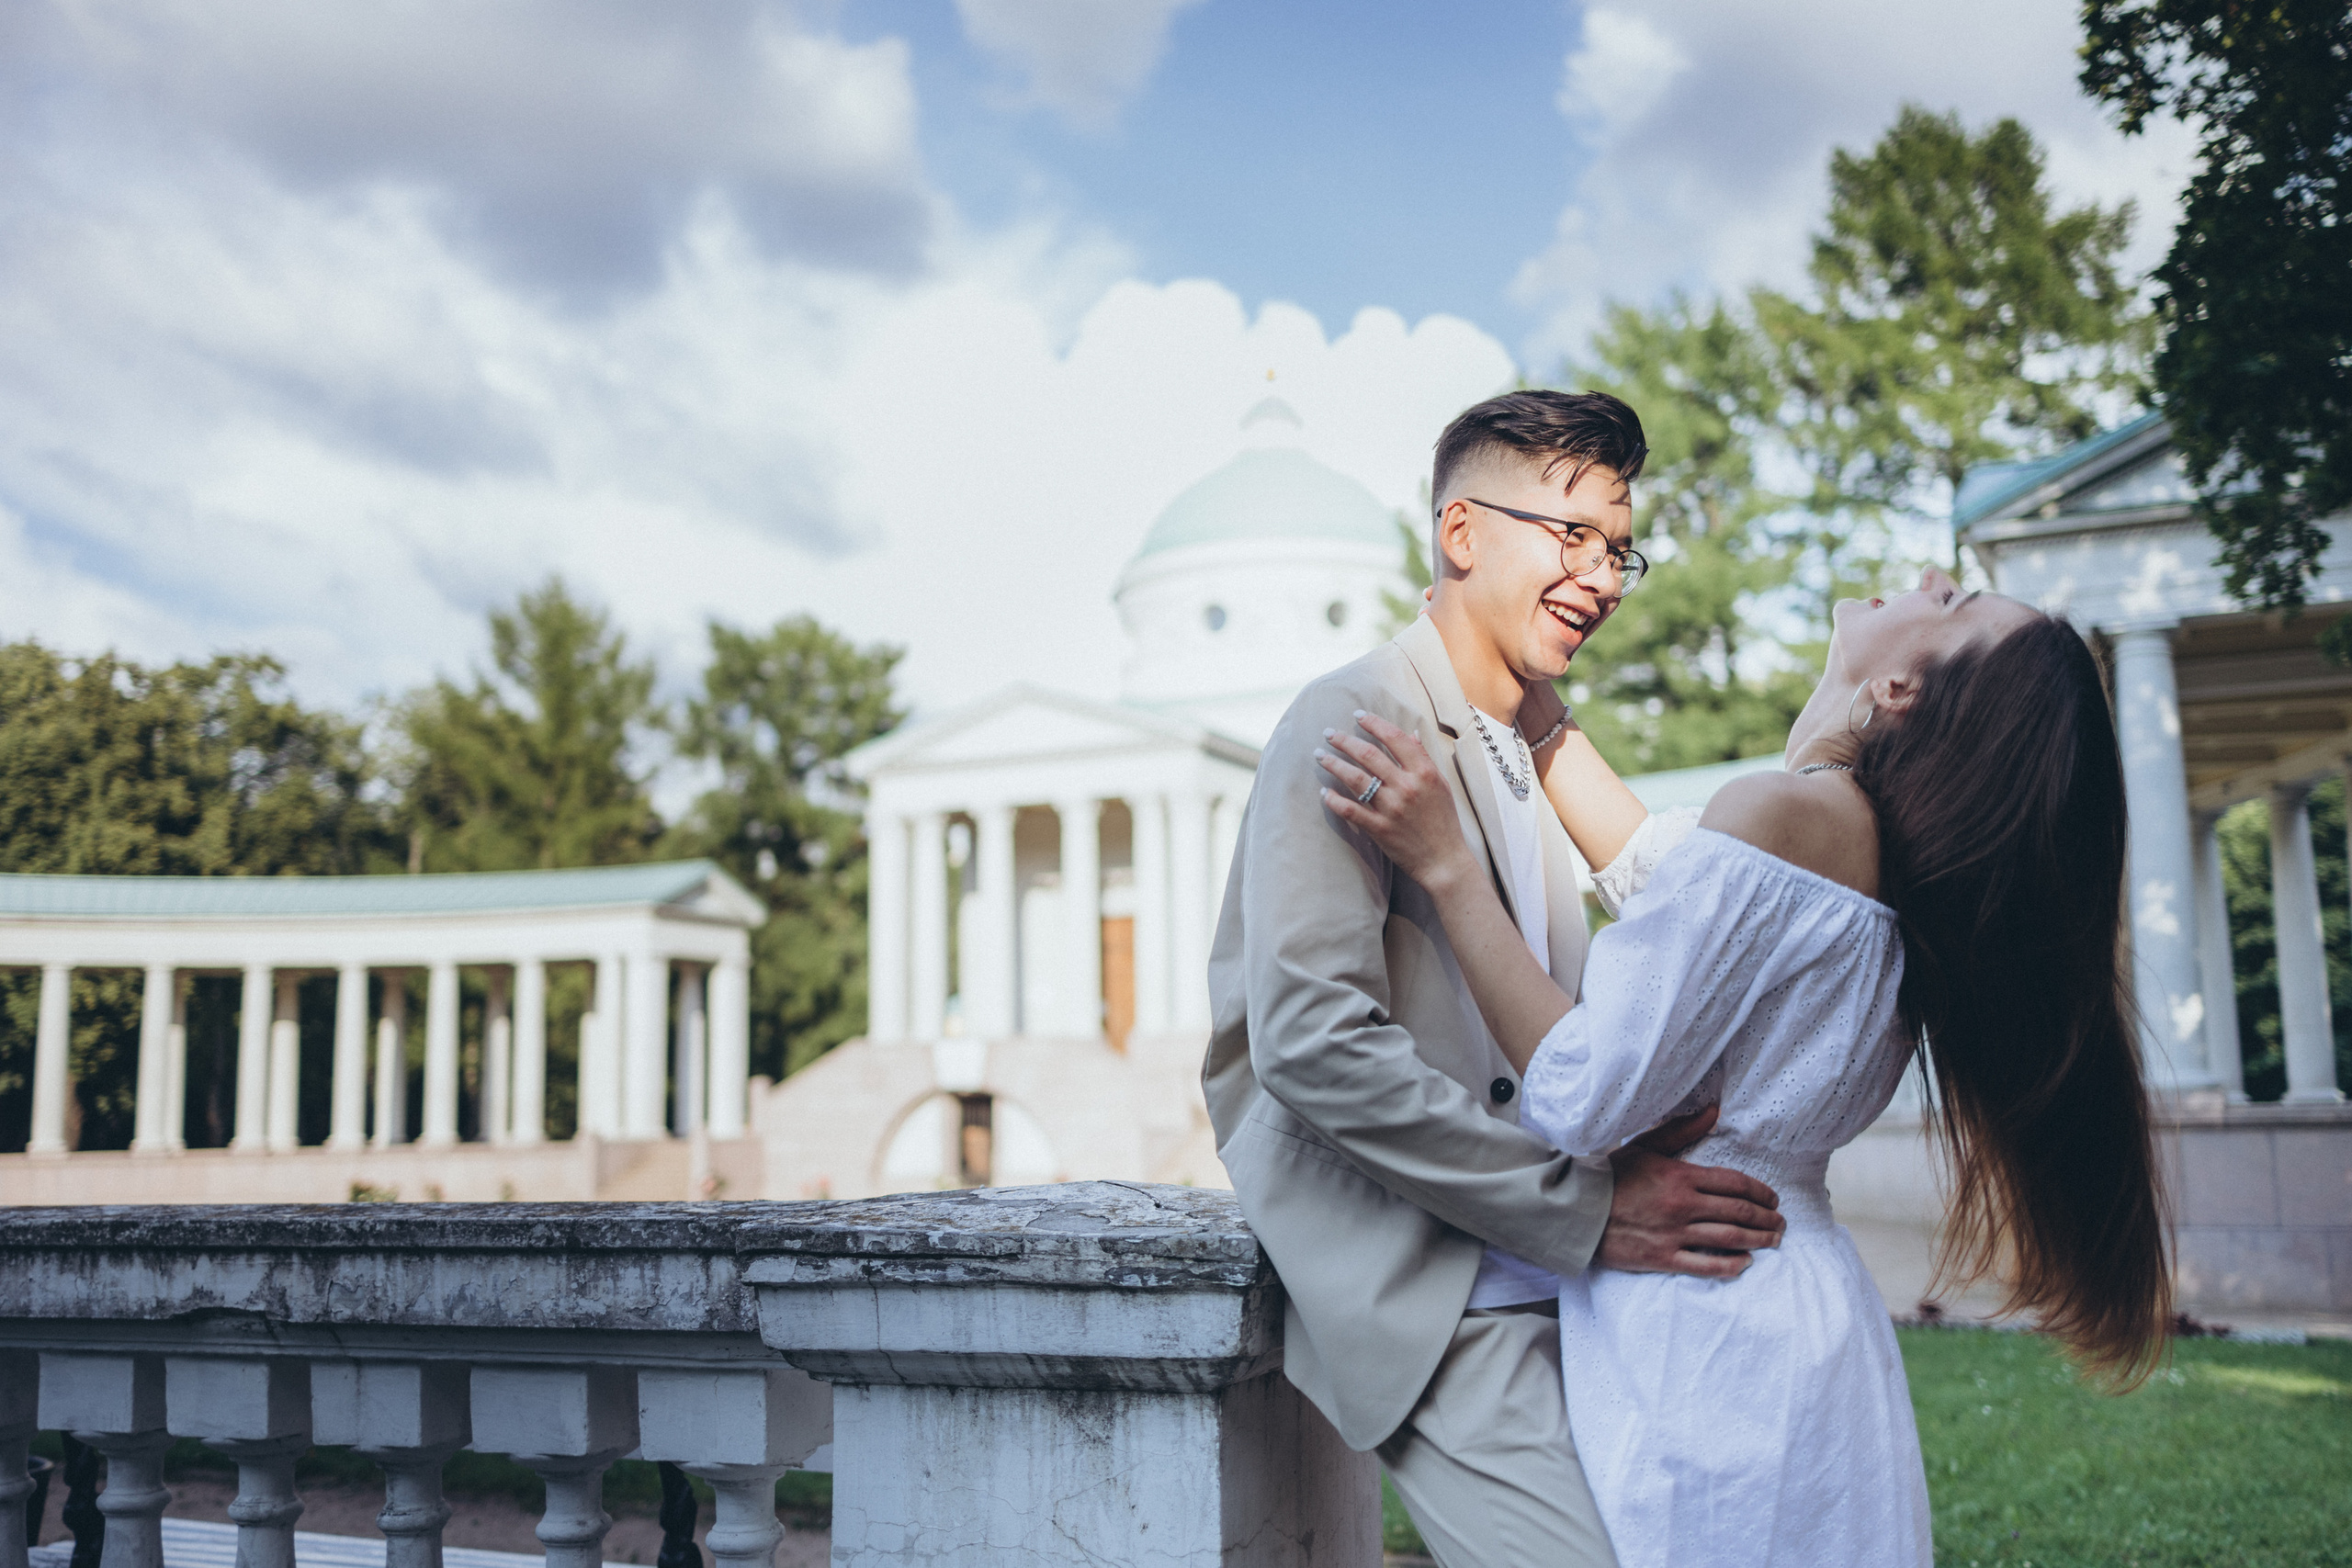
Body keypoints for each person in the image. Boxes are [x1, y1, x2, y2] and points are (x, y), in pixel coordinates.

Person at [1313, 563, 2173, 1566]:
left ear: (1899, 692)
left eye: (1949, 604)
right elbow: (1674, 887)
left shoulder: (1789, 817)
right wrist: (1539, 715)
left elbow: (1584, 1092)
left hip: (1706, 1318)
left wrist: (1446, 861)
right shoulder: (1864, 845)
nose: (1931, 576)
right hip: (1796, 1310)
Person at [1204, 390, 1790, 1568]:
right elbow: (1312, 1045)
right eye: (1572, 535)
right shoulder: (1353, 717)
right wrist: (1585, 1207)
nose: (1605, 577)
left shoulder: (1523, 743)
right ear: (1461, 534)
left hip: (1572, 1288)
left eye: (1621, 549)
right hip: (1441, 1293)